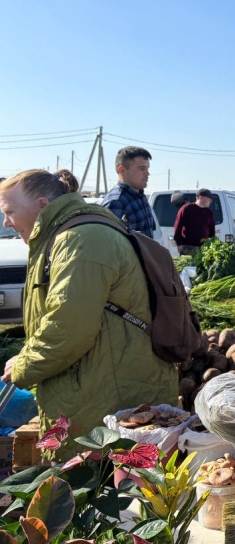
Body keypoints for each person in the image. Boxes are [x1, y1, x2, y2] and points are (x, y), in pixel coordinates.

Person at [0, 169, 178, 459]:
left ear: (43, 205)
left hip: (105, 394)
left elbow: (68, 328)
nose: (7, 222)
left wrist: (24, 366)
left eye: (9, 212)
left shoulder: (80, 240)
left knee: (105, 486)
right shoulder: (69, 235)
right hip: (99, 383)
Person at [101, 146, 157, 238]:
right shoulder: (116, 202)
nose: (147, 173)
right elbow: (108, 243)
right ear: (122, 170)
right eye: (142, 168)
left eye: (147, 169)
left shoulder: (140, 196)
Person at [173, 189, 216, 256]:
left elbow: (212, 231)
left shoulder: (209, 213)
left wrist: (212, 245)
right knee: (189, 266)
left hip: (204, 248)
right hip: (188, 247)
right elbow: (177, 227)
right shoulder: (186, 209)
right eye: (209, 198)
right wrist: (179, 245)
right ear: (200, 198)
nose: (211, 201)